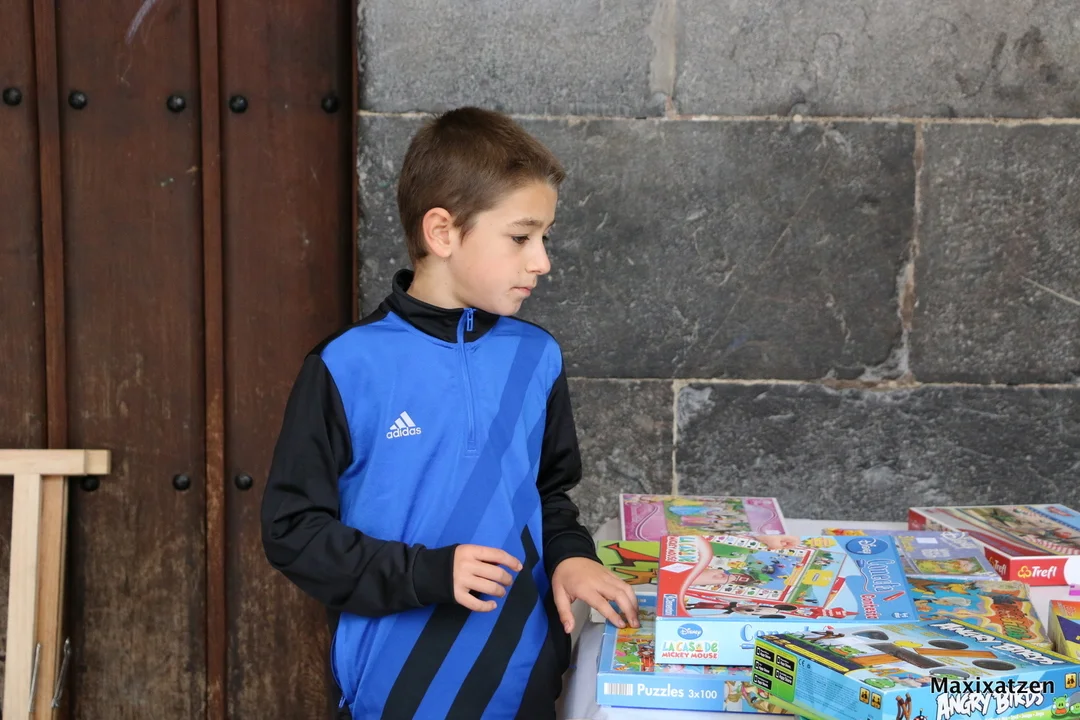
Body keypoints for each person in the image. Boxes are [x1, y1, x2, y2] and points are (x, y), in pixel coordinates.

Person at [261, 106, 638, 719]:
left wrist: (572, 556)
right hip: (394, 690)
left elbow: (548, 493)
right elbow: (293, 532)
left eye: (544, 238)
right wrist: (428, 573)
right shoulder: (347, 366)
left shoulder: (537, 357)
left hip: (526, 684)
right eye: (521, 237)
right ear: (442, 232)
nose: (541, 261)